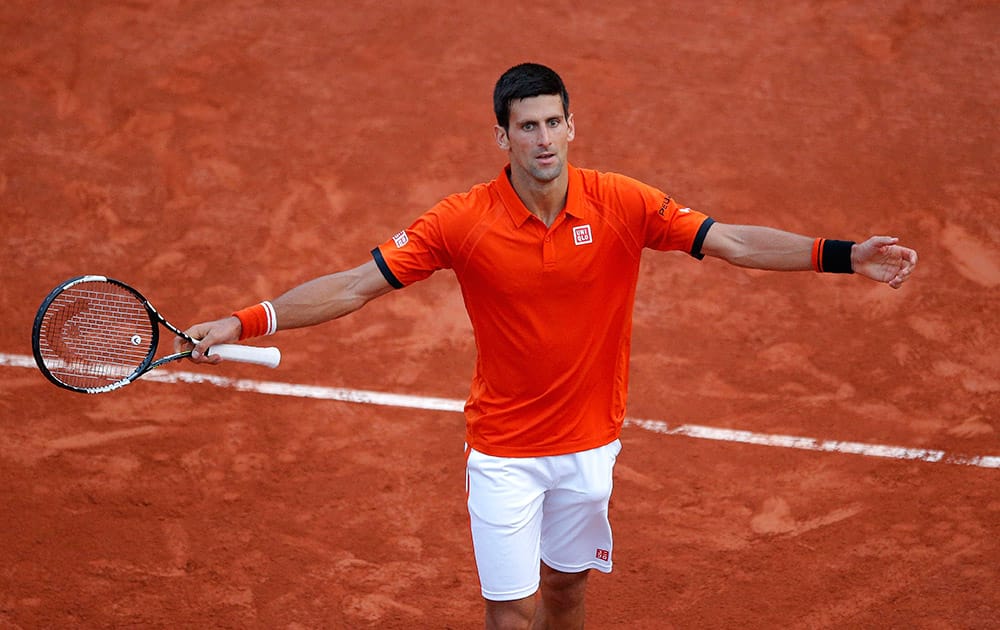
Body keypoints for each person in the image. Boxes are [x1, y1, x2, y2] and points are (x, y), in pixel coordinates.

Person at [178, 62, 918, 629]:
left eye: (552, 123)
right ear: (502, 136)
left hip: (592, 444)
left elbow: (730, 241)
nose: (541, 139)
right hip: (503, 450)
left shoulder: (622, 201)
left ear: (572, 126)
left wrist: (842, 254)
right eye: (526, 126)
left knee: (566, 590)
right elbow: (351, 287)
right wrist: (244, 320)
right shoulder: (461, 221)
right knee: (512, 612)